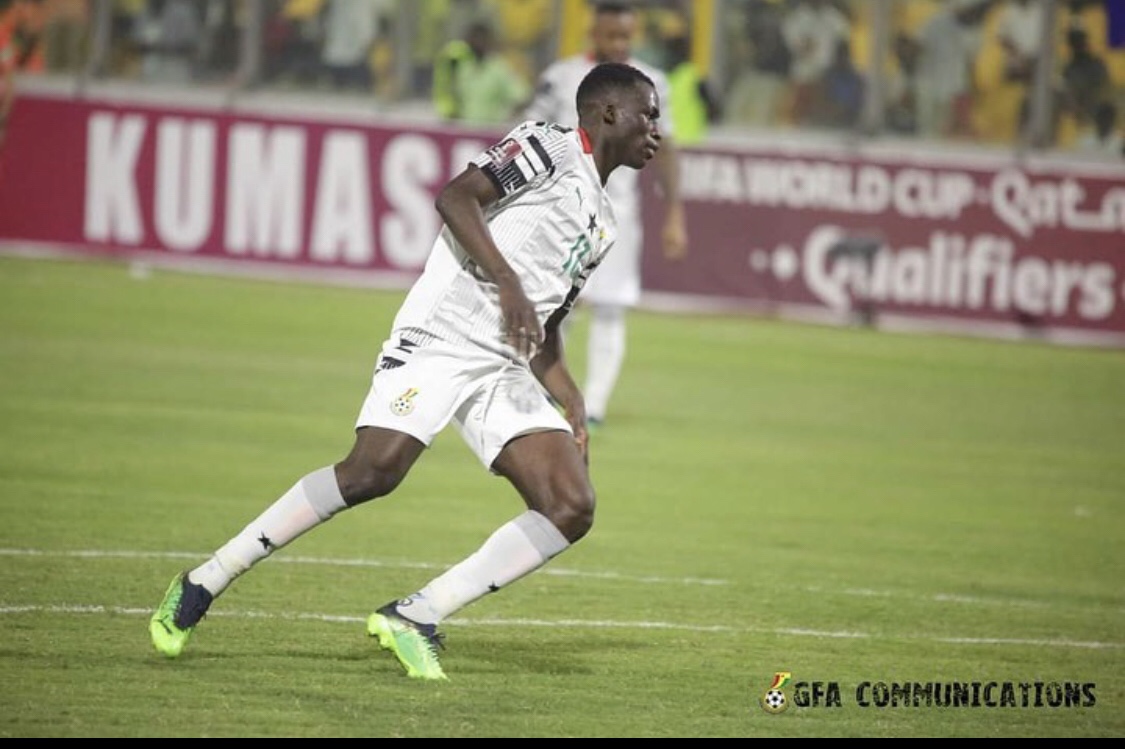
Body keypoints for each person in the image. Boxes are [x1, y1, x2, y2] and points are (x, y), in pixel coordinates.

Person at [149, 61, 664, 682]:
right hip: (443, 335)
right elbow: (456, 197)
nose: (656, 130)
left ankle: (415, 615)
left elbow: (544, 321)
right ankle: (206, 579)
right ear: (608, 112)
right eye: (648, 114)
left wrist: (571, 399)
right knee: (374, 470)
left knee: (571, 505)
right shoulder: (548, 146)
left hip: (502, 365)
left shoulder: (604, 222)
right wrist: (506, 281)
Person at [522, 0, 686, 430]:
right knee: (558, 302)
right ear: (593, 32)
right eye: (610, 34)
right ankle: (544, 393)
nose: (618, 43)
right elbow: (528, 134)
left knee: (611, 306)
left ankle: (593, 407)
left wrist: (675, 213)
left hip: (618, 212)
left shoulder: (653, 83)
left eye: (625, 36)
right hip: (559, 209)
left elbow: (666, 148)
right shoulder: (561, 77)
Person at [432, 19, 531, 126]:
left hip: (490, 130)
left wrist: (508, 120)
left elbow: (522, 96)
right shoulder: (461, 66)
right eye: (475, 39)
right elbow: (447, 94)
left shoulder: (498, 68)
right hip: (464, 129)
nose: (478, 43)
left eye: (482, 39)